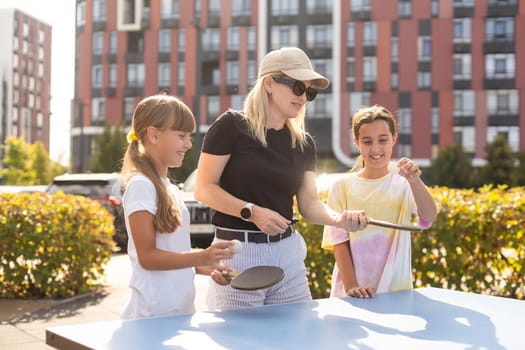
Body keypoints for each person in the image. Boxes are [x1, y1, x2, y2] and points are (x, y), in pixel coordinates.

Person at [194, 47, 367, 311]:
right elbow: (204, 189)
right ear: (269, 83)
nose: (304, 98)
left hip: (288, 255)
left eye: (310, 92)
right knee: (242, 342)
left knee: (298, 338)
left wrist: (340, 219)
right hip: (238, 254)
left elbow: (309, 204)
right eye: (298, 87)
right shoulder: (230, 126)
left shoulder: (304, 143)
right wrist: (251, 212)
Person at [120, 93, 235, 319]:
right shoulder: (141, 185)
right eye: (181, 136)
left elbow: (173, 254)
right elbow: (148, 257)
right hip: (150, 316)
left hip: (178, 313)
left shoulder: (170, 189)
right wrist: (201, 257)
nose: (188, 144)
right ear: (153, 135)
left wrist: (209, 268)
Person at [322, 105, 438, 299]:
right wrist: (352, 287)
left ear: (394, 139)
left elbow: (428, 217)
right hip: (352, 294)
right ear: (356, 142)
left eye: (383, 140)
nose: (375, 148)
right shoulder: (341, 186)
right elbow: (339, 242)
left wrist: (415, 181)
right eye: (367, 142)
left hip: (396, 292)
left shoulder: (404, 183)